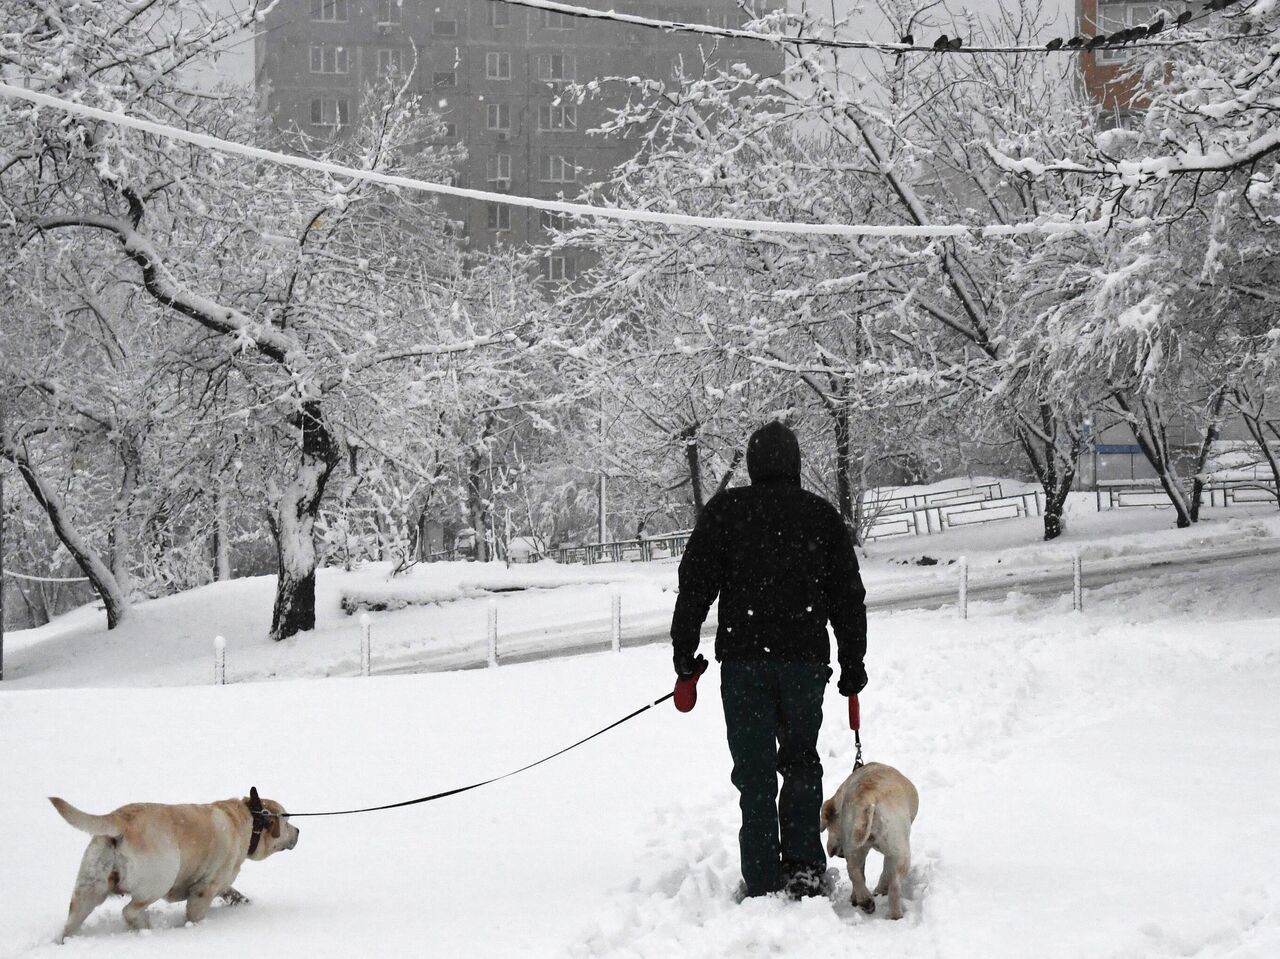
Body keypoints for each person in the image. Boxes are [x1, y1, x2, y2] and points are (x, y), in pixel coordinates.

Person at [670, 420, 868, 900]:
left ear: (754, 465)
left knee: (754, 771)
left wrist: (684, 651)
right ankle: (802, 868)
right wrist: (852, 660)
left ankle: (759, 874)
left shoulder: (726, 513)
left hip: (743, 664)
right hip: (803, 663)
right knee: (800, 762)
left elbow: (694, 584)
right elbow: (847, 596)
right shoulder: (820, 517)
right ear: (795, 464)